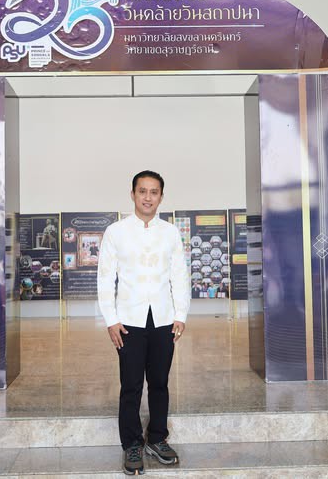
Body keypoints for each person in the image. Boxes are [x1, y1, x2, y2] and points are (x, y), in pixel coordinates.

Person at [97, 170, 190, 476]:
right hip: (129, 321)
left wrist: (180, 314)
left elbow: (179, 275)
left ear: (161, 197)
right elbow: (105, 278)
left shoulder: (170, 233)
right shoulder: (116, 232)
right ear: (133, 194)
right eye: (142, 191)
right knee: (131, 385)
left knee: (160, 383)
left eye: (154, 192)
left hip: (163, 319)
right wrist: (111, 320)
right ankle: (132, 444)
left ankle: (158, 438)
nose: (148, 197)